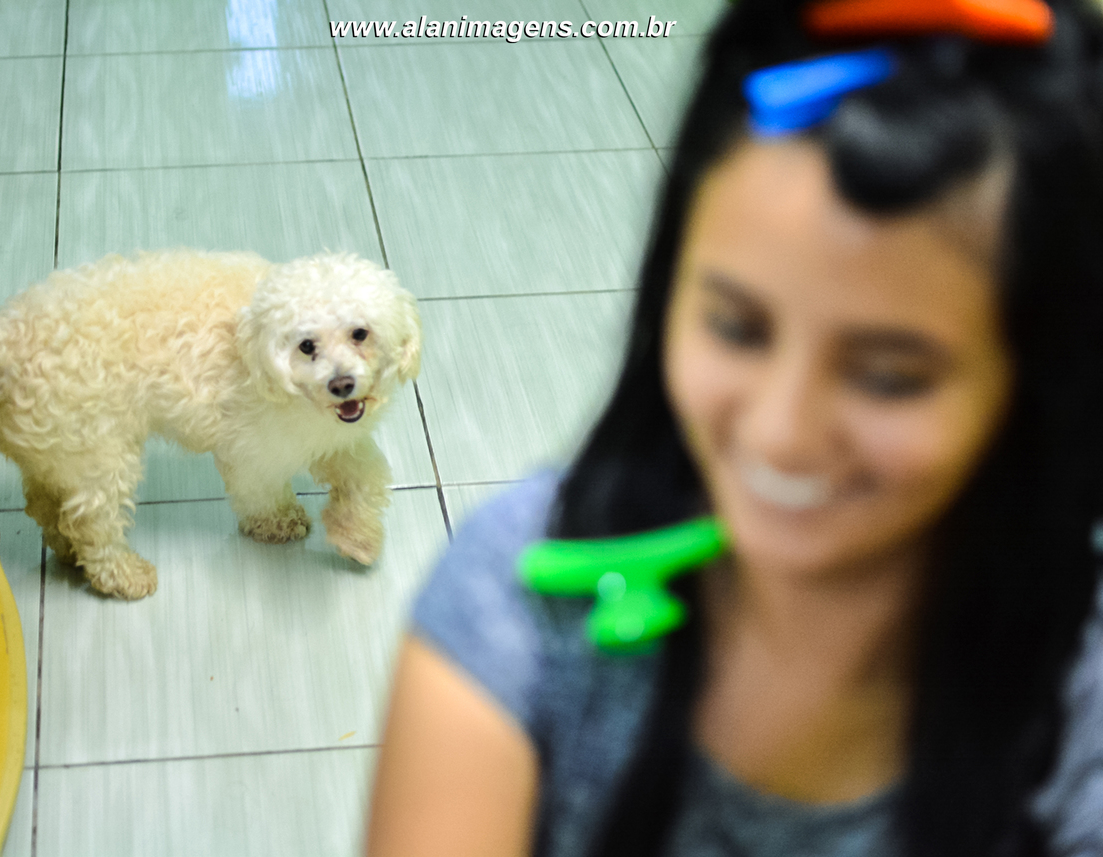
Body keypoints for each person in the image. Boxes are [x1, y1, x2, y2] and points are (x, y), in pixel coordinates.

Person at [365, 0, 1103, 854]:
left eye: (888, 376)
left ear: (1037, 381)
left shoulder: (1077, 686)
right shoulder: (522, 599)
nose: (781, 432)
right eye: (737, 328)